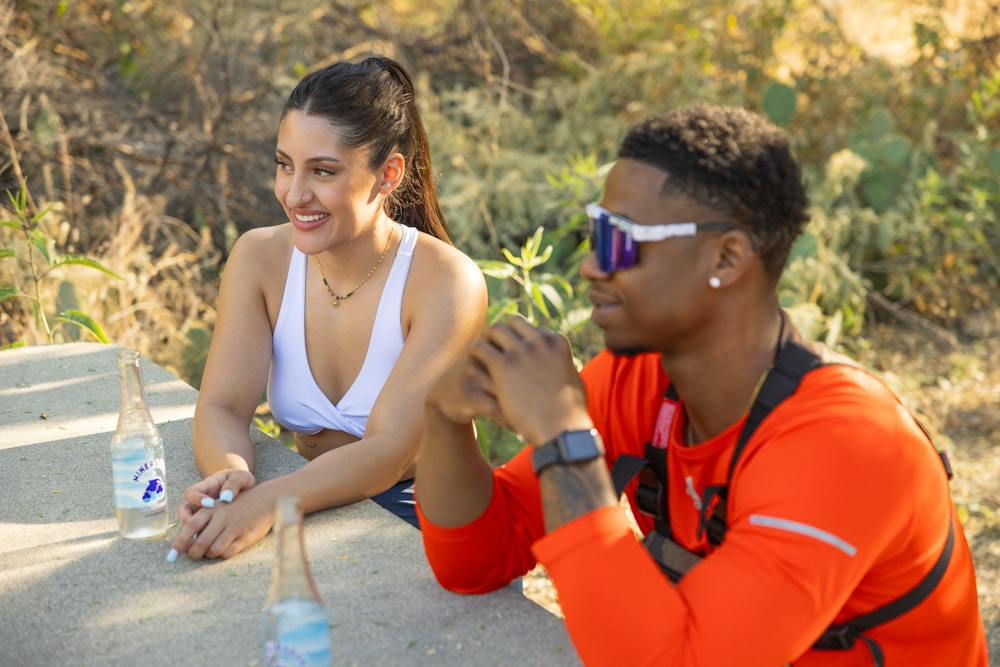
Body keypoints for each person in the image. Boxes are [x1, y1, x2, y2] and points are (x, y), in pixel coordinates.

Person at [414, 104, 988, 665]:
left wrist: (565, 440)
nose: (592, 266)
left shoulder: (846, 443)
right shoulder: (638, 378)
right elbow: (476, 560)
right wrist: (445, 418)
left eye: (621, 238)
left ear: (727, 256)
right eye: (595, 232)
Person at [166, 56, 487, 562]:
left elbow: (387, 451)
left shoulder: (447, 281)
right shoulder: (258, 258)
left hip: (429, 513)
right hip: (318, 499)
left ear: (388, 175)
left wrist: (271, 502)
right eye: (284, 165)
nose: (294, 194)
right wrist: (229, 477)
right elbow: (223, 406)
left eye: (323, 171)